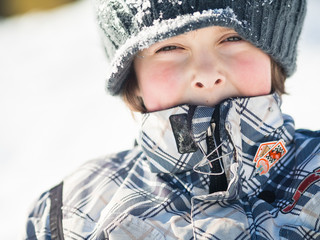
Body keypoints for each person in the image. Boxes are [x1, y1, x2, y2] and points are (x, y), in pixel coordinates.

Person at [24, 0, 320, 239]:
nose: (206, 74)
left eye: (232, 38)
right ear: (133, 78)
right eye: (169, 47)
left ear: (274, 56)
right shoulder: (75, 212)